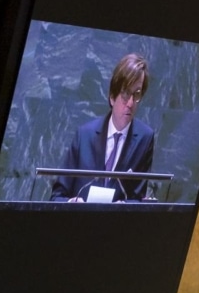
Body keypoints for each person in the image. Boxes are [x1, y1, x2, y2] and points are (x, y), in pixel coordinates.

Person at [52, 53, 155, 202]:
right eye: (126, 94)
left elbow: (138, 198)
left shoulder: (145, 138)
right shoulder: (84, 135)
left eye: (137, 94)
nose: (131, 103)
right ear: (112, 97)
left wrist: (125, 207)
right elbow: (57, 196)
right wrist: (71, 203)